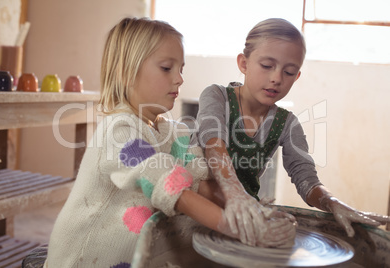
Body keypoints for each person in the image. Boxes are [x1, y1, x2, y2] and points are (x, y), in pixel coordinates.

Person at [44, 17, 296, 268]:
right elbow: (167, 184)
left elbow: (200, 183)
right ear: (125, 72)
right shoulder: (118, 131)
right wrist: (238, 229)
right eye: (167, 68)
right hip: (81, 261)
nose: (179, 79)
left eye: (181, 69)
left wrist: (252, 212)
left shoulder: (173, 133)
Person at [193, 18, 390, 245]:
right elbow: (213, 143)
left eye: (288, 71)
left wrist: (331, 202)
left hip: (247, 215)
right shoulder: (216, 96)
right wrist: (235, 194)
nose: (276, 78)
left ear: (297, 76)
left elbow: (304, 176)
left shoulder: (287, 123)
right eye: (267, 66)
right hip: (200, 206)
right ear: (244, 64)